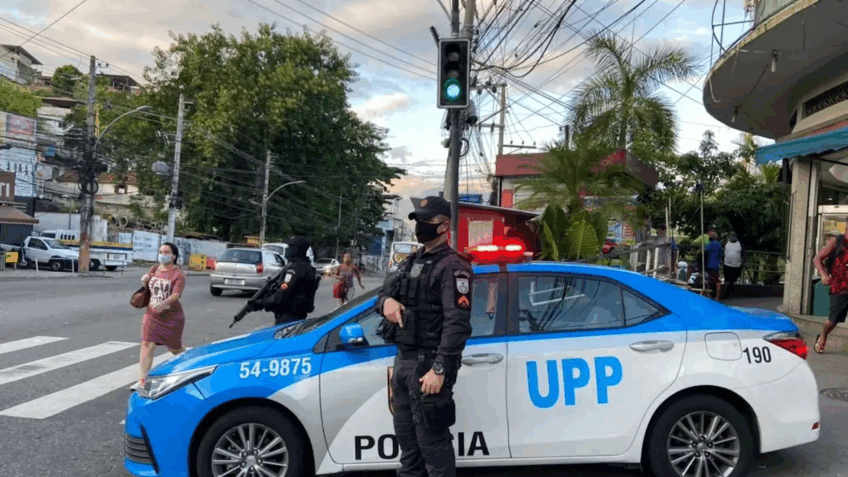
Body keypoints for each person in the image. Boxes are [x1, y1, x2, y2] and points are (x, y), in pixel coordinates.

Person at [376, 195, 474, 477]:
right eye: (418, 220)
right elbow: (382, 295)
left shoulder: (454, 266)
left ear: (444, 226)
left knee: (433, 447)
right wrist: (386, 304)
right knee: (408, 448)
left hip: (429, 365)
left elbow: (457, 324)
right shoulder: (411, 262)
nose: (420, 226)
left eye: (427, 220)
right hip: (404, 362)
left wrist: (440, 369)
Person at [135, 243, 188, 390]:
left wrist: (163, 304)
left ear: (174, 256)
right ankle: (142, 380)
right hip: (152, 315)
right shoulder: (154, 269)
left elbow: (176, 295)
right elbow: (149, 288)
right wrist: (144, 281)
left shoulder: (179, 274)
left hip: (171, 318)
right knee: (147, 344)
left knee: (175, 349)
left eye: (166, 252)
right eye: (161, 251)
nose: (162, 255)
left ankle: (191, 358)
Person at [248, 236, 320, 326]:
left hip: (289, 316)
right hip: (297, 315)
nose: (287, 250)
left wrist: (261, 303)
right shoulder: (305, 266)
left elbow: (282, 295)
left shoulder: (295, 269)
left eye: (290, 247)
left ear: (297, 249)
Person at [812, 228, 848, 354]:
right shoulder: (837, 241)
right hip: (840, 287)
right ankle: (823, 336)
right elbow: (817, 259)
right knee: (833, 320)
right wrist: (823, 274)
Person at [723, 232, 745, 299]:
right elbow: (722, 252)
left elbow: (744, 254)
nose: (732, 237)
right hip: (727, 264)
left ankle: (727, 289)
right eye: (731, 235)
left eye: (734, 235)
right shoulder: (726, 243)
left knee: (733, 279)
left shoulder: (740, 244)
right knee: (728, 279)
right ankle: (727, 291)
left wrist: (742, 263)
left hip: (736, 265)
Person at [704, 228, 724, 300]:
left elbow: (705, 250)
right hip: (716, 264)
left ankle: (709, 294)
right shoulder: (719, 245)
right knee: (715, 280)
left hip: (710, 264)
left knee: (709, 279)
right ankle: (716, 295)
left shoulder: (710, 244)